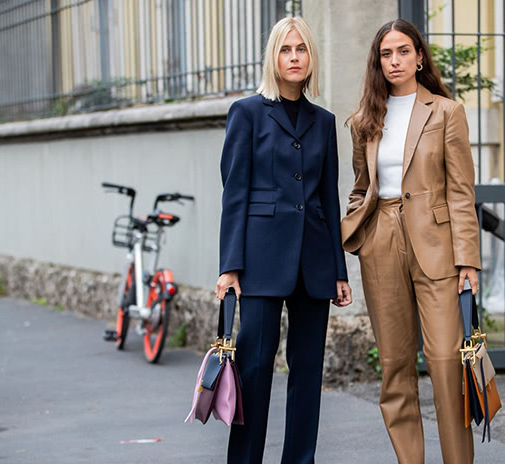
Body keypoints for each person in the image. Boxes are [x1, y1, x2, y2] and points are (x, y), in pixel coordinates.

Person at [340, 19, 481, 464]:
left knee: (445, 363)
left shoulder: (446, 112)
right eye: (386, 54)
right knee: (396, 367)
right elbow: (361, 188)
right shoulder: (363, 120)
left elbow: (461, 193)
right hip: (381, 241)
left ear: (419, 57)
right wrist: (358, 230)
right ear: (377, 63)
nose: (395, 61)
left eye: (403, 51)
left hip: (437, 245)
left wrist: (469, 262)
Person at [215, 16, 352, 464]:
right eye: (285, 49)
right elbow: (234, 193)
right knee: (254, 368)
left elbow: (328, 198)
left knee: (308, 371)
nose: (294, 57)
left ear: (311, 58)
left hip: (313, 263)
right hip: (260, 261)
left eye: (302, 50)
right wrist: (229, 264)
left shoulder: (324, 121)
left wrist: (338, 269)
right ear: (273, 57)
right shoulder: (248, 112)